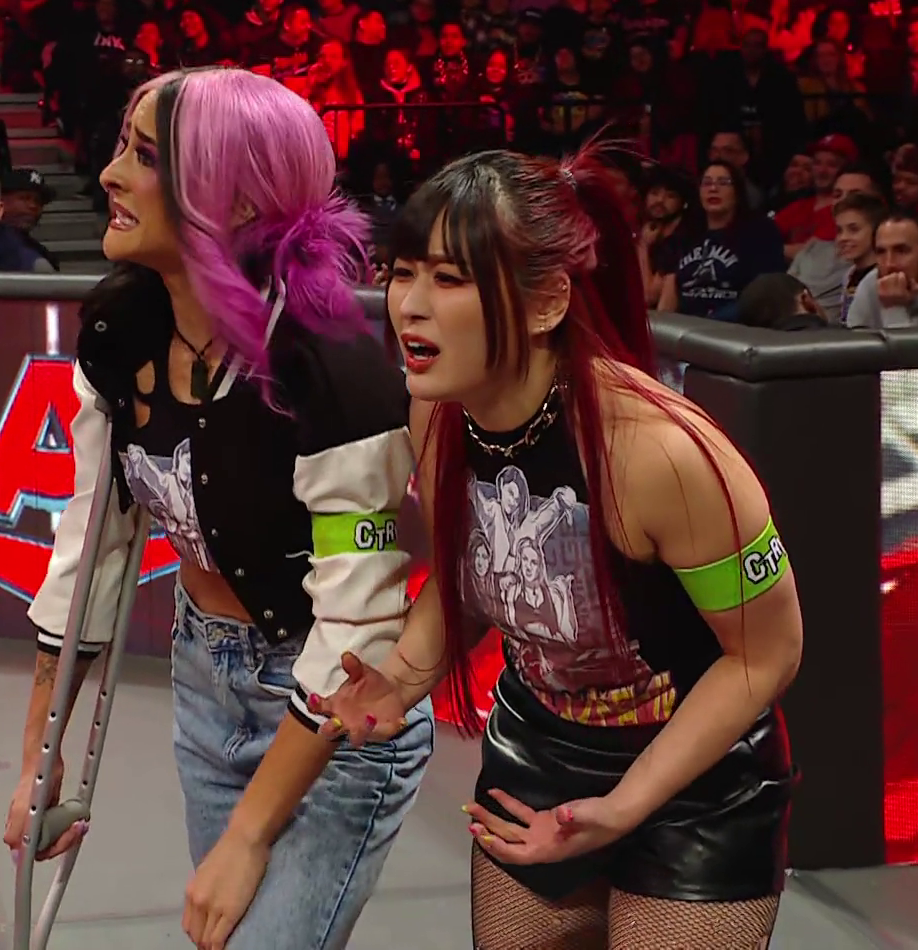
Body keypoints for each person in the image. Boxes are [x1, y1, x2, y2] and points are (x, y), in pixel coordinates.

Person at [329, 145, 803, 949]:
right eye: (403, 272)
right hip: (541, 748)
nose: (409, 305)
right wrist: (400, 679)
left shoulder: (658, 452)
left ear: (546, 302)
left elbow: (766, 653)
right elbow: (475, 573)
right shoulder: (437, 412)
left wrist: (624, 806)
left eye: (450, 279)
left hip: (697, 782)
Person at [7, 66, 434, 950]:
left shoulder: (329, 369)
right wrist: (37, 759)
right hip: (204, 680)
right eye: (121, 147)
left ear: (234, 199)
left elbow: (356, 625)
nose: (109, 175)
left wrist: (247, 839)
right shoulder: (120, 332)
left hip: (332, 708)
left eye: (144, 157)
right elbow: (93, 547)